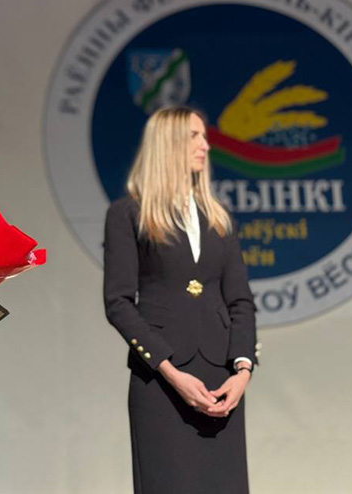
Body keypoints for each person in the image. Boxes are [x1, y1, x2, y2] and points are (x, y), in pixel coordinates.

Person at [103, 106, 258, 494]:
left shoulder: (218, 217)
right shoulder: (128, 214)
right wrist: (171, 372)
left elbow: (241, 300)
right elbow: (118, 302)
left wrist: (242, 372)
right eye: (194, 136)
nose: (206, 146)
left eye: (204, 137)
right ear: (168, 143)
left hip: (221, 382)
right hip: (162, 382)